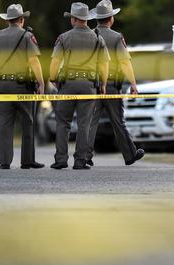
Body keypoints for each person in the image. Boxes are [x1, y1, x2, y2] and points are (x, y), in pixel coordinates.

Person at [49, 2, 110, 170]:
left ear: (73, 19)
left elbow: (54, 62)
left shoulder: (64, 37)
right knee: (84, 124)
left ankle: (61, 160)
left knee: (63, 123)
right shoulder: (98, 38)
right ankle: (80, 161)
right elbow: (104, 65)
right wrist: (103, 84)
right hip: (89, 85)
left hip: (67, 84)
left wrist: (53, 78)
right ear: (86, 19)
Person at [0, 4, 45, 170]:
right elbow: (34, 61)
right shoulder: (27, 36)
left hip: (2, 86)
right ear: (21, 19)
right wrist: (41, 82)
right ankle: (27, 161)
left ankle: (4, 162)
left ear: (7, 21)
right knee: (28, 123)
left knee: (4, 125)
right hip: (22, 87)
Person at [85, 0, 145, 167]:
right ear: (111, 18)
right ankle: (130, 154)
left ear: (97, 18)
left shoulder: (89, 35)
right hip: (111, 85)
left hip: (92, 85)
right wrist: (133, 84)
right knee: (118, 121)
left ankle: (84, 156)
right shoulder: (117, 37)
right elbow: (125, 62)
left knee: (90, 122)